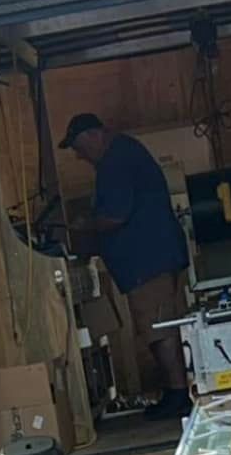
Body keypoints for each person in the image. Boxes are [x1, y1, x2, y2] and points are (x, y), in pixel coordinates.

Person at [59, 113, 191, 421]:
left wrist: (84, 225)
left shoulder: (115, 161)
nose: (79, 156)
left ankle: (178, 395)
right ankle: (175, 392)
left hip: (149, 262)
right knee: (159, 326)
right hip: (151, 260)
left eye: (79, 147)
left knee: (160, 328)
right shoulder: (123, 154)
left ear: (95, 135)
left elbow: (115, 216)